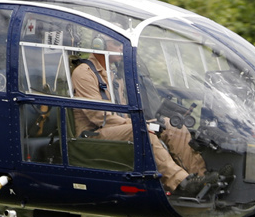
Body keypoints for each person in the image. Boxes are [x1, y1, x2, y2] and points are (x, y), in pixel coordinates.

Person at [70, 44, 204, 192]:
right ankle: (182, 183)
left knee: (172, 127)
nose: (122, 48)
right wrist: (137, 124)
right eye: (116, 44)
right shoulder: (83, 73)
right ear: (99, 43)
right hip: (94, 134)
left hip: (120, 127)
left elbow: (123, 111)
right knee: (143, 132)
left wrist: (146, 122)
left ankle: (201, 178)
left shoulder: (113, 72)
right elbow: (98, 116)